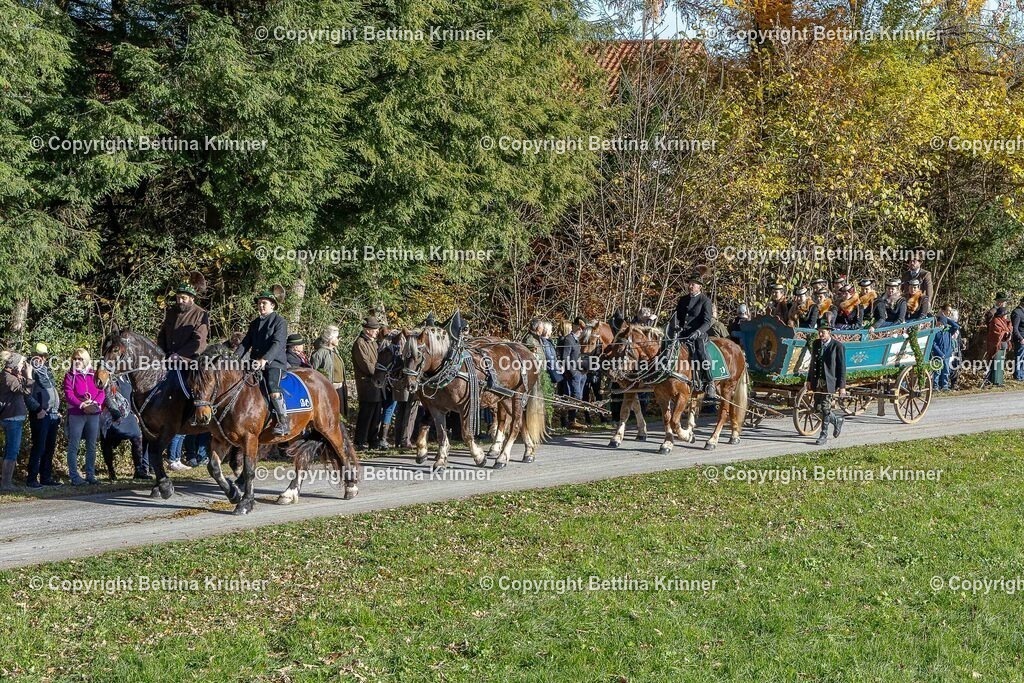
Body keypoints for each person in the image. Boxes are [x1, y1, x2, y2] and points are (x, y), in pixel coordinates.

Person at [158, 282, 210, 472]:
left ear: (192, 298)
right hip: (168, 358)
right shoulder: (171, 312)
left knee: (191, 390)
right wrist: (161, 353)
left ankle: (192, 417)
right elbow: (163, 334)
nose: (180, 300)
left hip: (190, 360)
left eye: (184, 297)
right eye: (179, 297)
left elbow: (199, 341)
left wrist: (180, 355)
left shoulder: (200, 313)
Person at [236, 289, 291, 436]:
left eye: (264, 303)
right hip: (254, 363)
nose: (261, 305)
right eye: (259, 303)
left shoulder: (280, 322)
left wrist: (264, 359)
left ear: (272, 305)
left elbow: (278, 343)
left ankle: (283, 421)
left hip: (274, 363)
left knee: (273, 389)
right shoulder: (254, 323)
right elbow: (245, 343)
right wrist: (233, 359)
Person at [671, 271, 716, 399]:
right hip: (682, 334)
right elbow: (677, 317)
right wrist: (675, 327)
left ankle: (710, 381)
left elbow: (708, 322)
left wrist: (697, 332)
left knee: (701, 351)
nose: (690, 286)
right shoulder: (683, 300)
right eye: (689, 284)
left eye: (693, 284)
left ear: (699, 286)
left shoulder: (705, 300)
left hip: (699, 333)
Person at [64, 348, 105, 485]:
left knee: (91, 445)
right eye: (75, 358)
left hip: (93, 413)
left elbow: (101, 391)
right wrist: (82, 405)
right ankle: (75, 477)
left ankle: (90, 475)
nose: (77, 361)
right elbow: (69, 394)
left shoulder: (95, 374)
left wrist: (95, 403)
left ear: (86, 359)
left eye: (80, 359)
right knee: (73, 445)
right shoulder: (70, 375)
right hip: (77, 413)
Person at [24, 343, 62, 488]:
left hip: (52, 414)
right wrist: (37, 409)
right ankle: (32, 479)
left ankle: (46, 477)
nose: (41, 358)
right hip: (40, 414)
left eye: (44, 355)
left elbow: (52, 390)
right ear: (33, 354)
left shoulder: (46, 370)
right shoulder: (29, 370)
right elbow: (26, 394)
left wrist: (56, 409)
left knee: (49, 447)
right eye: (39, 355)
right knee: (39, 447)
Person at [805, 319, 847, 446]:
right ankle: (837, 420)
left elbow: (842, 368)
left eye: (823, 332)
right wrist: (808, 379)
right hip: (817, 381)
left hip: (830, 382)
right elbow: (812, 363)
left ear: (829, 332)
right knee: (817, 408)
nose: (820, 335)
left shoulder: (838, 346)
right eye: (819, 332)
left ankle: (823, 435)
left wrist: (842, 387)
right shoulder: (816, 344)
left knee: (825, 407)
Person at [100, 374, 146, 480]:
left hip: (128, 414)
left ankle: (139, 469)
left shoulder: (128, 377)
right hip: (112, 415)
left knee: (137, 436)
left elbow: (131, 398)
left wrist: (135, 413)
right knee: (107, 442)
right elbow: (108, 397)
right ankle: (111, 471)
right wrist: (117, 415)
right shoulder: (109, 378)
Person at [0, 353, 33, 491]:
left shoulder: (9, 376)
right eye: (21, 364)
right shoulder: (9, 378)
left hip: (12, 417)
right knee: (12, 451)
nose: (22, 366)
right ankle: (6, 483)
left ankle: (6, 481)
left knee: (9, 450)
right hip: (12, 418)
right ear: (14, 364)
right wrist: (29, 375)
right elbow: (26, 390)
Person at [351, 316, 384, 450]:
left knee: (376, 413)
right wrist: (380, 371)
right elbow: (366, 365)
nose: (377, 331)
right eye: (375, 329)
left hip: (377, 383)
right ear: (367, 330)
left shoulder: (374, 343)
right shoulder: (360, 343)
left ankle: (373, 440)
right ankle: (360, 441)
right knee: (366, 413)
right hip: (367, 384)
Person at [310, 325, 349, 419]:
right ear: (330, 339)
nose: (339, 339)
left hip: (340, 388)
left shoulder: (335, 351)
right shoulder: (319, 354)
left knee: (339, 416)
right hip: (328, 390)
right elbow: (313, 373)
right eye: (337, 337)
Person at [558, 318, 587, 429]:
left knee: (579, 397)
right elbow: (565, 358)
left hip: (582, 372)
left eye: (582, 328)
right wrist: (573, 373)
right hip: (574, 374)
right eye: (579, 327)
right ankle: (571, 421)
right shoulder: (568, 340)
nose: (580, 329)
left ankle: (573, 420)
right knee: (575, 396)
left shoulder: (580, 340)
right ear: (574, 326)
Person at [931, 305, 960, 391]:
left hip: (947, 354)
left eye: (942, 324)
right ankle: (935, 386)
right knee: (937, 371)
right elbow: (933, 344)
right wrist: (940, 353)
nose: (940, 325)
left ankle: (945, 386)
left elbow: (956, 326)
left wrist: (947, 319)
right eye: (939, 323)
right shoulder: (936, 332)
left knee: (946, 371)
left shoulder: (948, 332)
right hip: (938, 355)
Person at [986, 307, 1012, 386]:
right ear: (1002, 315)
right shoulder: (995, 321)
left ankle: (999, 380)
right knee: (996, 364)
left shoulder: (1004, 321)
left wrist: (1008, 328)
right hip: (997, 346)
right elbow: (996, 333)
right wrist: (1005, 333)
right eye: (1005, 315)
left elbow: (1008, 329)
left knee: (1000, 364)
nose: (1006, 316)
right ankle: (995, 381)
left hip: (1003, 346)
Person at [1011, 297, 1024, 381]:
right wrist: (1020, 338)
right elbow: (1015, 328)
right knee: (1019, 358)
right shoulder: (1017, 312)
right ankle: (1018, 376)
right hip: (1020, 339)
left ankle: (1022, 375)